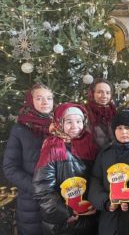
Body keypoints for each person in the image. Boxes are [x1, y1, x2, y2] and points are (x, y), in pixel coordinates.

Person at [33, 103, 97, 235]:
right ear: (59, 123)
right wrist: (66, 213)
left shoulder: (89, 143)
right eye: (69, 122)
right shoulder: (52, 148)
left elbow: (95, 177)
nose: (75, 126)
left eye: (79, 121)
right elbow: (43, 189)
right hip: (64, 223)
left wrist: (96, 202)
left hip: (89, 215)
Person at [88, 109, 129, 234]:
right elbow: (95, 180)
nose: (123, 132)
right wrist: (107, 202)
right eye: (119, 128)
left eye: (128, 128)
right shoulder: (105, 153)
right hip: (109, 221)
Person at [3, 84, 54, 235]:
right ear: (30, 101)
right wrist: (38, 189)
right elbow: (10, 168)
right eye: (39, 98)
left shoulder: (58, 126)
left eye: (49, 98)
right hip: (31, 202)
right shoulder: (20, 129)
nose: (45, 102)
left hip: (58, 198)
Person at [84, 78, 116, 152]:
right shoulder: (84, 112)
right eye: (99, 92)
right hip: (91, 156)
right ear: (92, 93)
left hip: (113, 156)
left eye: (107, 93)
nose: (104, 96)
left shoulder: (114, 111)